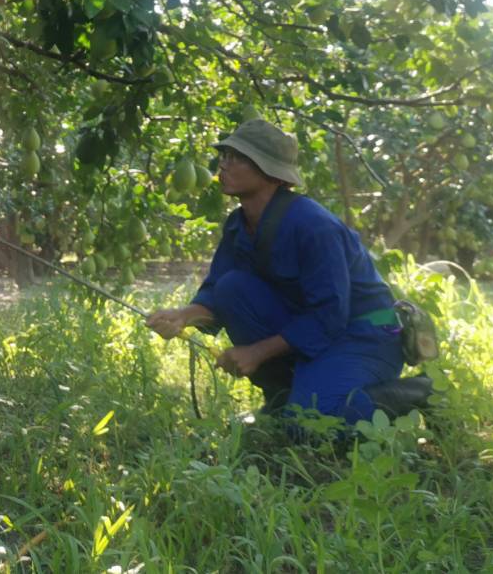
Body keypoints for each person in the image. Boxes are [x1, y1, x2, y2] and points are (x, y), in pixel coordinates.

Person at [145, 119, 405, 427]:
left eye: (236, 158)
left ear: (269, 172)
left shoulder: (313, 226)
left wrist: (256, 352)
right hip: (318, 333)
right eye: (224, 155)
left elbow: (330, 314)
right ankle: (283, 398)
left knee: (310, 422)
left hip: (365, 335)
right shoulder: (238, 225)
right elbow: (218, 292)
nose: (223, 165)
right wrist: (183, 315)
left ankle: (407, 396)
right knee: (232, 288)